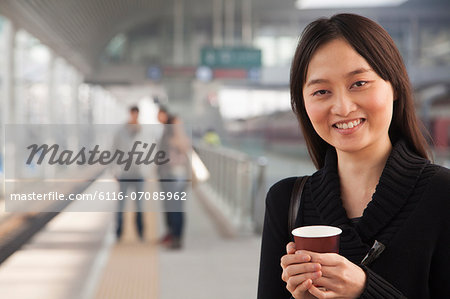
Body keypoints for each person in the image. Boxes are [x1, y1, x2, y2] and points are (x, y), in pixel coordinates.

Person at [257, 14, 450, 299]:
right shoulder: (286, 202)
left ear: (394, 86)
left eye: (359, 83)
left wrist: (364, 289)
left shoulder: (443, 195)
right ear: (303, 104)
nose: (343, 107)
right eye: (321, 91)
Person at [157, 106, 190, 249]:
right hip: (167, 174)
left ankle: (177, 238)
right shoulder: (166, 131)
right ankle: (171, 234)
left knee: (176, 207)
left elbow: (184, 147)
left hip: (177, 175)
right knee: (170, 207)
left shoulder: (176, 132)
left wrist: (176, 133)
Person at [113, 105, 145, 241]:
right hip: (124, 173)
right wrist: (114, 169)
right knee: (121, 205)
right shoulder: (120, 131)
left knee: (140, 205)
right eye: (132, 114)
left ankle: (140, 233)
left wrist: (148, 170)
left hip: (139, 173)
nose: (134, 117)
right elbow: (114, 150)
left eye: (136, 114)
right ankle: (119, 233)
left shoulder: (144, 131)